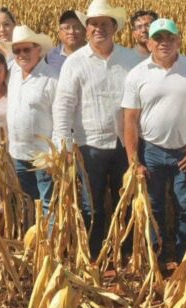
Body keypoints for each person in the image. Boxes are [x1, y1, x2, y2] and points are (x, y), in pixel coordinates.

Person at [52, 0, 143, 257]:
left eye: (105, 23)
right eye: (93, 24)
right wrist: (64, 143)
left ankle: (125, 252)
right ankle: (92, 253)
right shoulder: (75, 62)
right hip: (88, 145)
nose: (99, 28)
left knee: (124, 201)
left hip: (124, 145)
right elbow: (63, 106)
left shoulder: (131, 59)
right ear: (87, 28)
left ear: (114, 27)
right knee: (91, 205)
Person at [122, 18, 186, 263]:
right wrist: (134, 160)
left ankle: (184, 253)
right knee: (153, 206)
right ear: (149, 42)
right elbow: (130, 120)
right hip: (151, 151)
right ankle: (155, 254)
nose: (164, 43)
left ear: (178, 40)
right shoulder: (137, 74)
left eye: (169, 38)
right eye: (158, 38)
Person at [4, 26, 57, 210]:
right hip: (17, 153)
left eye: (27, 49)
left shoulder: (52, 78)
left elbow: (60, 119)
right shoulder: (13, 72)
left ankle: (48, 239)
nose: (21, 54)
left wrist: (54, 154)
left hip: (42, 156)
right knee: (26, 202)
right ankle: (31, 237)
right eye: (17, 51)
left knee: (47, 204)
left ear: (38, 50)